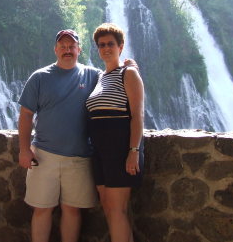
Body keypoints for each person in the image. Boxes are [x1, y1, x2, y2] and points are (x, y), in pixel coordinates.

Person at [18, 29, 136, 242]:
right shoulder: (39, 77)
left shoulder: (94, 76)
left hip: (79, 157)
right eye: (62, 46)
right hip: (44, 156)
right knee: (42, 210)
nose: (67, 50)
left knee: (72, 210)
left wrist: (130, 67)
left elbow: (115, 77)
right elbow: (26, 115)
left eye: (71, 46)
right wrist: (24, 149)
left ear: (79, 50)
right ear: (55, 49)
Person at [85, 23, 144, 242]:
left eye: (111, 44)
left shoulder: (128, 73)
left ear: (121, 46)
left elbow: (138, 115)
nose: (106, 48)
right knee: (109, 207)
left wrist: (134, 150)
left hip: (120, 149)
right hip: (99, 150)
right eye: (101, 45)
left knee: (118, 209)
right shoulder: (100, 77)